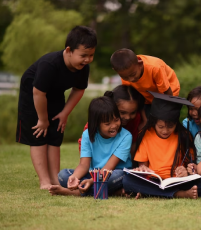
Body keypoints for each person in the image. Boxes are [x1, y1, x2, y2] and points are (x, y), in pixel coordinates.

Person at [16, 26, 97, 189]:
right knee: (39, 135)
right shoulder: (50, 64)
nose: (87, 60)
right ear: (69, 50)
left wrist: (64, 113)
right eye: (83, 55)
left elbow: (79, 90)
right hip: (33, 96)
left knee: (55, 135)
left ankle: (55, 179)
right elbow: (38, 93)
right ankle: (44, 181)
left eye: (91, 55)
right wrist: (43, 119)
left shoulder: (83, 67)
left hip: (55, 95)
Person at [122, 91, 201, 199]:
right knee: (127, 181)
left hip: (177, 181)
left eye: (170, 126)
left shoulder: (184, 135)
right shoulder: (146, 135)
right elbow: (142, 166)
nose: (165, 130)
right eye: (160, 126)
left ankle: (150, 193)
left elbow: (190, 166)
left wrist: (185, 172)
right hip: (154, 180)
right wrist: (142, 169)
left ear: (176, 123)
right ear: (154, 122)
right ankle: (179, 194)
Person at [49, 96, 132, 196]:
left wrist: (91, 181)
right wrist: (75, 177)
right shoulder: (87, 135)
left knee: (118, 176)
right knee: (63, 175)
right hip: (93, 175)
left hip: (112, 174)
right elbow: (84, 165)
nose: (114, 125)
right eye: (107, 123)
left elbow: (109, 168)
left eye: (116, 119)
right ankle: (112, 192)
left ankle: (74, 193)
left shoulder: (126, 136)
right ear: (96, 123)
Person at [110, 49, 180, 130]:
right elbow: (135, 98)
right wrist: (144, 120)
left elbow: (167, 93)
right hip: (147, 94)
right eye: (125, 77)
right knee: (147, 123)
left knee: (162, 122)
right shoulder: (127, 73)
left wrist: (166, 114)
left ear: (140, 64)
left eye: (133, 74)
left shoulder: (155, 68)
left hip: (168, 93)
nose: (131, 79)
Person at [78, 85, 145, 157]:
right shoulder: (97, 121)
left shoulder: (135, 119)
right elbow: (85, 144)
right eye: (122, 112)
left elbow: (133, 143)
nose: (127, 117)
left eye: (133, 113)